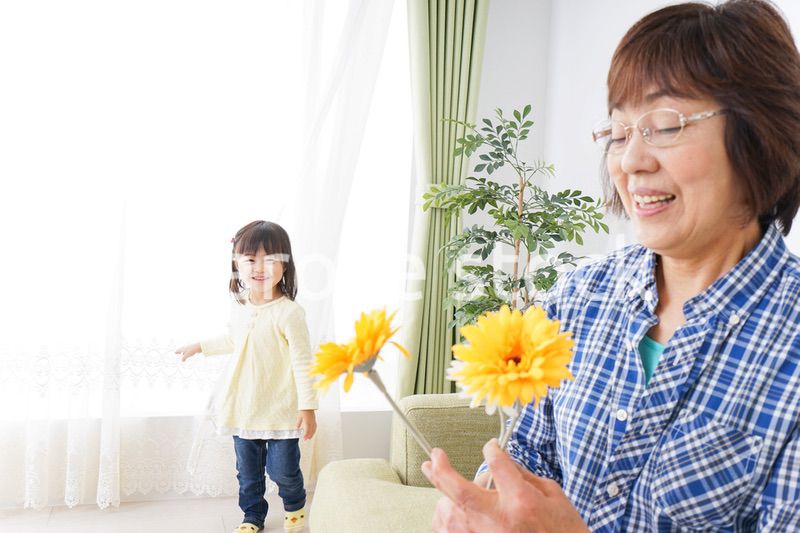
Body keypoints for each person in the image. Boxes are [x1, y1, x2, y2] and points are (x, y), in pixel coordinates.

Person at [423, 1, 800, 531]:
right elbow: (530, 450)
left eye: (664, 126)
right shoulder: (582, 294)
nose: (629, 162)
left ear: (761, 135)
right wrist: (485, 502)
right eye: (619, 134)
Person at [176, 220, 318, 533]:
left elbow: (303, 362)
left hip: (281, 410)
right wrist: (200, 346)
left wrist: (308, 407)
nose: (260, 267)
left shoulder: (289, 313)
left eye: (270, 259)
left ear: (285, 264)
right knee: (248, 473)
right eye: (251, 259)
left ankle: (295, 508)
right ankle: (252, 515)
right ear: (237, 264)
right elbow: (234, 340)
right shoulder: (239, 306)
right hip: (243, 407)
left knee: (283, 471)